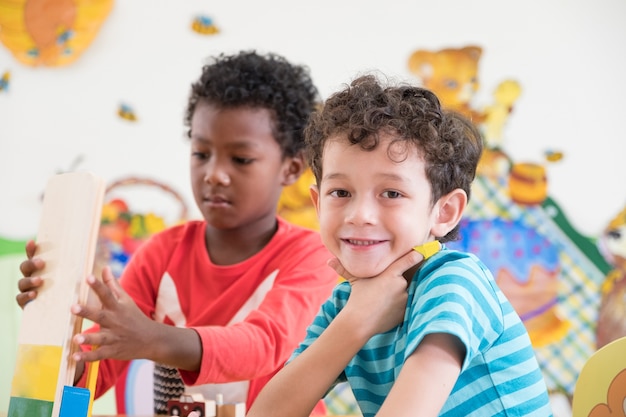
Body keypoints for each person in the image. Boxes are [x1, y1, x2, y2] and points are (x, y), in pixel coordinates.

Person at [16, 50, 338, 415]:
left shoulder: (312, 256)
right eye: (201, 153)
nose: (214, 173)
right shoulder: (161, 252)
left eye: (241, 159)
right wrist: (53, 319)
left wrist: (153, 339)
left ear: (291, 168)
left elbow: (266, 344)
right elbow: (97, 366)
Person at [247, 74, 552, 417]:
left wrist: (360, 314)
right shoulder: (348, 303)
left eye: (391, 194)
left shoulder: (455, 282)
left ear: (445, 211)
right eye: (341, 193)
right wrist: (357, 320)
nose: (359, 215)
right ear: (318, 204)